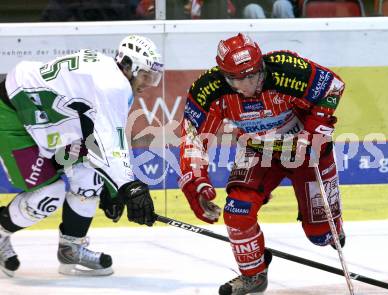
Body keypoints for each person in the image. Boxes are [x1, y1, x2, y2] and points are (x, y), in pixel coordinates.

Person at [179, 33, 346, 294]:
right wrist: (196, 181)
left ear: (261, 67)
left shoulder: (288, 70)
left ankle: (329, 225)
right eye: (236, 78)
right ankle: (254, 275)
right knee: (236, 213)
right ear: (224, 75)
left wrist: (312, 133)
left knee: (321, 236)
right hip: (257, 151)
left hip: (306, 151)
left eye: (252, 75)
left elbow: (334, 86)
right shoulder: (208, 89)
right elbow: (193, 138)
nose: (247, 85)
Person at [0, 35, 160, 277]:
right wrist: (129, 188)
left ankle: (71, 248)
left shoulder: (107, 73)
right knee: (48, 195)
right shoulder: (114, 85)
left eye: (154, 78)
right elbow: (111, 141)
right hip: (12, 116)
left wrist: (113, 189)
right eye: (146, 75)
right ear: (128, 66)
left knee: (90, 177)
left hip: (45, 120)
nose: (149, 83)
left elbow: (95, 139)